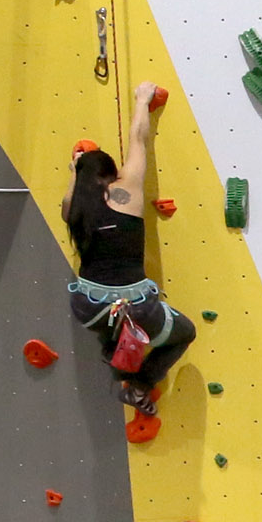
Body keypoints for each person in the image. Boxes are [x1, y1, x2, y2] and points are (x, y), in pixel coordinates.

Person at [61, 81, 198, 414]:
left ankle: (114, 349)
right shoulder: (127, 193)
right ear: (112, 175)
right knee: (184, 333)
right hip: (134, 305)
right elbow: (138, 140)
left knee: (112, 323)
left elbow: (77, 189)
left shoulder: (72, 207)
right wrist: (142, 99)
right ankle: (139, 384)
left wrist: (76, 168)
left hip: (88, 306)